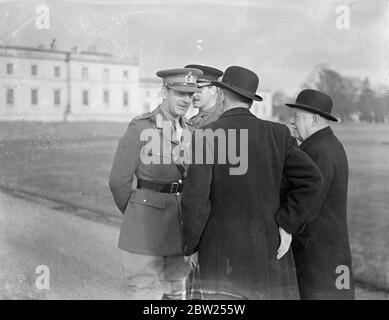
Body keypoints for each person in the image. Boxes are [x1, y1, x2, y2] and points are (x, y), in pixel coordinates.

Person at [180, 66, 324, 299]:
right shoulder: (278, 134)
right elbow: (312, 180)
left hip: (220, 251)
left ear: (222, 94)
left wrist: (192, 246)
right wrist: (287, 223)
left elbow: (195, 199)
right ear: (251, 100)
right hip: (267, 249)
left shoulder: (207, 134)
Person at [109, 67, 203, 300]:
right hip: (145, 227)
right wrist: (136, 211)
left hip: (179, 226)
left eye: (190, 95)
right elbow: (118, 180)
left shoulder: (191, 132)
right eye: (180, 93)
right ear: (164, 92)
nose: (186, 101)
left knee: (176, 290)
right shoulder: (141, 127)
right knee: (142, 291)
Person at [285, 89, 355, 300]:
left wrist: (283, 224)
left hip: (318, 259)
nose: (291, 122)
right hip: (332, 256)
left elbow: (306, 203)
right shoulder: (331, 145)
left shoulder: (316, 152)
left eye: (296, 117)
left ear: (314, 119)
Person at [185, 64, 223, 128]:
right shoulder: (191, 121)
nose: (193, 95)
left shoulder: (221, 121)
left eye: (199, 89)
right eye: (191, 89)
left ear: (212, 90)